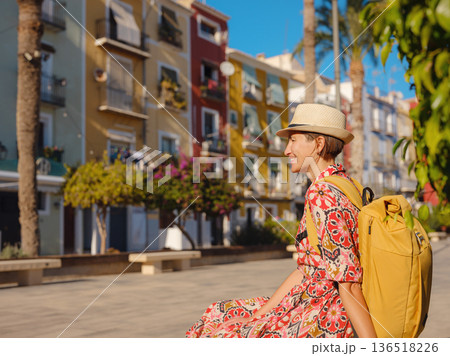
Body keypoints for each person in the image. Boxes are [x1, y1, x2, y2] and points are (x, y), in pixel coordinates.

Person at [185, 104, 377, 338]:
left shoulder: (323, 195)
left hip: (324, 313)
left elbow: (348, 282)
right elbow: (305, 269)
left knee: (216, 332)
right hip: (314, 299)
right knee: (219, 313)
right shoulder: (348, 185)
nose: (287, 150)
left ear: (318, 144)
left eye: (293, 140)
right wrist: (258, 316)